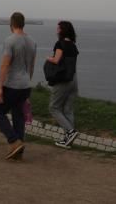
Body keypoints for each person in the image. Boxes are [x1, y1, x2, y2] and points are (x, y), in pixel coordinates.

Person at [0, 11, 37, 160]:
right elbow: (31, 67)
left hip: (12, 84)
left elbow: (5, 65)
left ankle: (14, 141)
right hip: (25, 85)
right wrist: (28, 89)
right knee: (18, 116)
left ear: (12, 24)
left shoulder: (10, 41)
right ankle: (19, 151)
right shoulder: (32, 41)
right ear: (23, 24)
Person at [46, 20, 79, 148]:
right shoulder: (73, 45)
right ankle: (68, 140)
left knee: (53, 107)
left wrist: (48, 58)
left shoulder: (60, 44)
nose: (56, 30)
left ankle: (70, 132)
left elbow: (56, 60)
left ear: (62, 30)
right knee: (67, 109)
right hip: (74, 79)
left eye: (58, 28)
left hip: (63, 80)